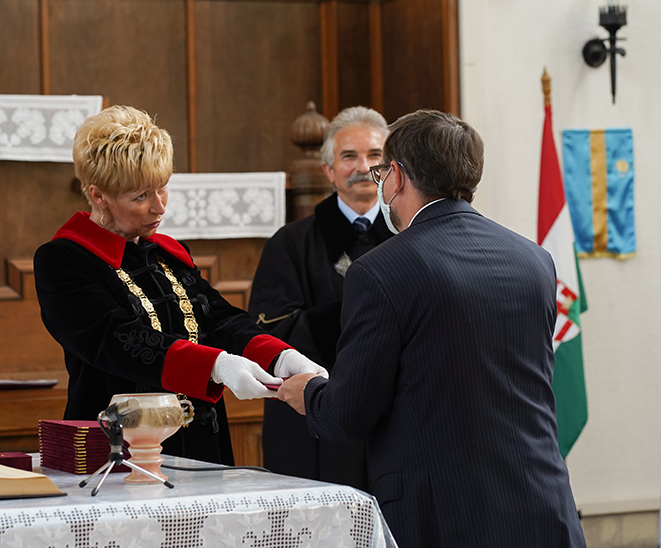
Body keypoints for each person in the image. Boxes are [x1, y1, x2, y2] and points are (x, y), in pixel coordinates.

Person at [278, 109, 586, 547]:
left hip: (445, 514)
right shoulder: (534, 259)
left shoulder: (380, 270)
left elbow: (350, 414)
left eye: (382, 171)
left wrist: (308, 392)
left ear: (398, 177)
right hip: (541, 500)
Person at [33, 105, 326, 465]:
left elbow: (216, 317)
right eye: (141, 197)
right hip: (119, 449)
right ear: (98, 195)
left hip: (201, 439)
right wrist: (216, 365)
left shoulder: (167, 253)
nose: (159, 208)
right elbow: (116, 339)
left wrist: (278, 356)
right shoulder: (62, 259)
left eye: (163, 189)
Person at [248, 106, 393, 490]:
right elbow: (273, 332)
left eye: (375, 155)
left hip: (393, 415)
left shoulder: (410, 237)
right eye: (349, 156)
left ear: (391, 167)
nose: (364, 167)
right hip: (317, 416)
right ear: (329, 170)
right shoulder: (289, 244)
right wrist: (372, 316)